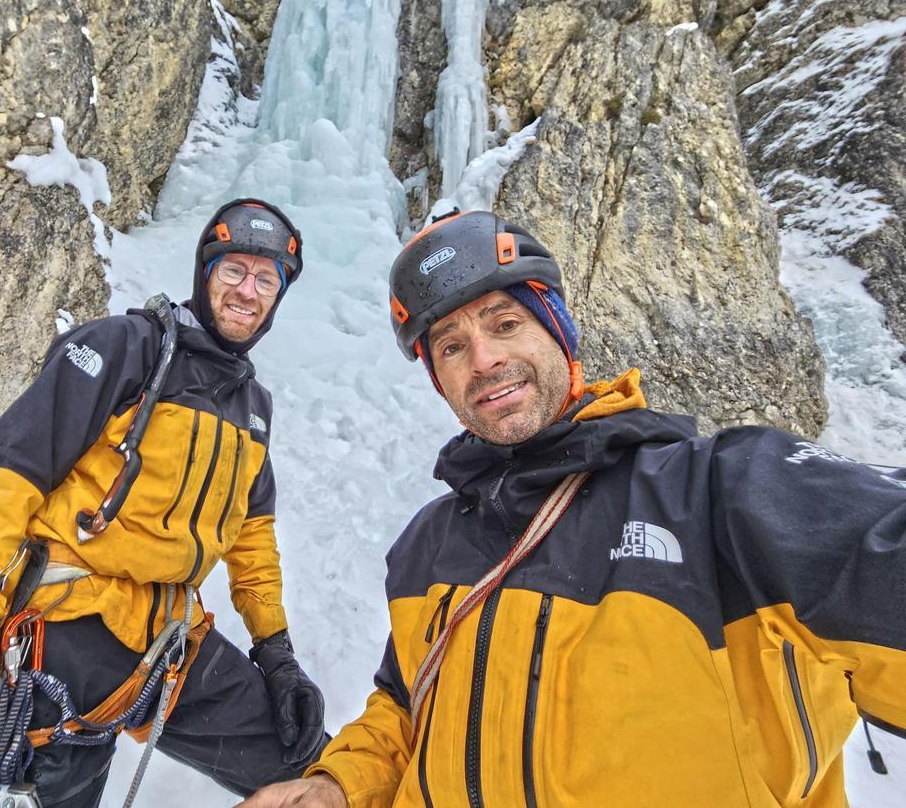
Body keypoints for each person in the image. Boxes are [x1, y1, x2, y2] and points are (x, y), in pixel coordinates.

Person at [240, 209, 905, 807]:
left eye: (505, 323)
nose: (485, 359)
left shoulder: (720, 492)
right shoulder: (427, 547)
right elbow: (407, 707)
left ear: (560, 331)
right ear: (438, 380)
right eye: (450, 346)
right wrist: (337, 785)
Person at [0, 198, 327, 808]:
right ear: (205, 273)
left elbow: (252, 544)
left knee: (320, 770)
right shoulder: (124, 349)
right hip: (56, 638)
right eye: (233, 269)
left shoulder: (252, 409)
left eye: (266, 279)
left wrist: (277, 657)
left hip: (168, 645)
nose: (247, 291)